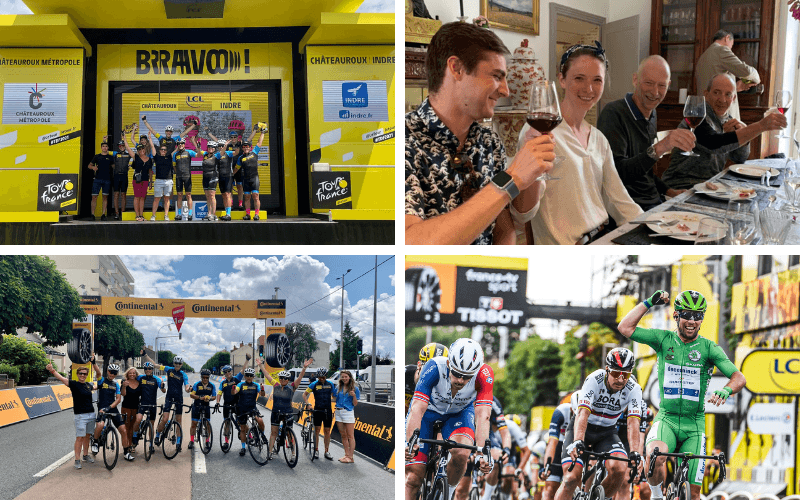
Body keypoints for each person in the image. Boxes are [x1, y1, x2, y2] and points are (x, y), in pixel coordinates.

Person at [405, 22, 555, 245]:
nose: (506, 90)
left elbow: (504, 227)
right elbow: (410, 241)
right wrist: (511, 179)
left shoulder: (489, 141)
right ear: (456, 68)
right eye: (497, 76)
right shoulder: (402, 142)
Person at [617, 290, 747, 500]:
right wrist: (650, 302)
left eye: (697, 316)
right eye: (687, 314)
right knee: (654, 456)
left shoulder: (709, 348)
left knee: (694, 494)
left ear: (702, 319)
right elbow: (625, 327)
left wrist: (725, 389)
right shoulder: (662, 339)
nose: (692, 321)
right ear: (676, 315)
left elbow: (738, 377)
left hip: (694, 425)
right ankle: (658, 495)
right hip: (666, 418)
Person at [522, 42, 643, 244]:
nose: (589, 88)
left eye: (597, 80)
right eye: (579, 78)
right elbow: (524, 211)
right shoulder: (538, 133)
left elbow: (619, 200)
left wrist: (649, 226)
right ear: (561, 79)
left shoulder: (599, 139)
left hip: (603, 238)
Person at [596, 55, 696, 211]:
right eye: (649, 83)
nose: (655, 92)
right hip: (631, 209)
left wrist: (669, 191)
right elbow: (617, 174)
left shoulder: (652, 114)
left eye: (661, 85)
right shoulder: (613, 113)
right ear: (635, 80)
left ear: (668, 85)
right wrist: (660, 147)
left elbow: (644, 171)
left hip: (656, 202)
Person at [661, 73, 788, 190]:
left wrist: (742, 134)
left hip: (709, 185)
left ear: (733, 98)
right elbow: (713, 144)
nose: (722, 100)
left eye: (728, 94)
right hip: (680, 185)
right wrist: (760, 126)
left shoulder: (729, 120)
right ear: (706, 94)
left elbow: (739, 158)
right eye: (717, 92)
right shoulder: (697, 116)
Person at [405, 338, 495, 500]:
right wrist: (411, 441)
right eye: (457, 374)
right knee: (413, 478)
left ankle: (447, 494)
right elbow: (417, 408)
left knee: (462, 453)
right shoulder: (434, 366)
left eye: (467, 377)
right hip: (428, 412)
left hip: (459, 413)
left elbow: (483, 415)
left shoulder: (484, 374)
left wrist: (483, 452)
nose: (460, 380)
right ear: (448, 364)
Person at [555, 348, 643, 500]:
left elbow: (633, 421)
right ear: (607, 370)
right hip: (584, 428)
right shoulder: (594, 379)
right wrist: (578, 441)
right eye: (616, 373)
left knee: (620, 469)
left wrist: (635, 452)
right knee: (571, 479)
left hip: (607, 433)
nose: (621, 379)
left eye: (626, 375)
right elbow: (583, 413)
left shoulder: (634, 388)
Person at [696, 30, 760, 121]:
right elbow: (746, 72)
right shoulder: (721, 50)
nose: (731, 49)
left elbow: (713, 86)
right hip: (722, 116)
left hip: (705, 114)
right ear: (727, 38)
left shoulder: (702, 57)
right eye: (732, 45)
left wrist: (736, 88)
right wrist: (757, 77)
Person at [256, 357, 312, 457]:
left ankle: (293, 453)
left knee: (290, 434)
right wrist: (260, 365)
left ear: (288, 380)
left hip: (288, 413)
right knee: (274, 433)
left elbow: (299, 378)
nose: (283, 380)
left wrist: (304, 368)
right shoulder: (276, 385)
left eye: (285, 378)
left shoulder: (292, 387)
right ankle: (270, 452)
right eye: (281, 378)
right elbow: (267, 375)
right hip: (276, 412)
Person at [46, 361, 96, 469]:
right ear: (77, 374)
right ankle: (77, 460)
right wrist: (52, 370)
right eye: (81, 373)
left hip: (91, 414)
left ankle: (85, 455)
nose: (83, 375)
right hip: (80, 416)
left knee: (88, 436)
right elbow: (61, 378)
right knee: (80, 438)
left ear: (87, 375)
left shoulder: (89, 385)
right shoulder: (74, 384)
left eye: (85, 374)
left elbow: (100, 385)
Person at [140, 351, 191, 452]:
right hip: (169, 397)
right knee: (164, 419)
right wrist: (145, 355)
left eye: (179, 364)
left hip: (179, 398)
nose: (177, 365)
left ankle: (178, 442)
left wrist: (189, 389)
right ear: (174, 364)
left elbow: (186, 386)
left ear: (181, 365)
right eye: (176, 364)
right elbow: (155, 365)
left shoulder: (183, 374)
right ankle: (158, 435)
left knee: (178, 421)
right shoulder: (168, 369)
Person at [612, 385, 652, 500]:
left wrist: (637, 460)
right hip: (611, 435)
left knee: (625, 481)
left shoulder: (641, 405)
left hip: (629, 439)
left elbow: (640, 435)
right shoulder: (614, 399)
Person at [89, 361, 134, 462]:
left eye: (114, 373)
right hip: (102, 407)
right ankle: (95, 442)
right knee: (100, 425)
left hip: (112, 408)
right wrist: (93, 362)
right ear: (107, 371)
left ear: (116, 374)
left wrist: (109, 408)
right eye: (110, 372)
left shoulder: (116, 384)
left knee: (123, 430)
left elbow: (118, 399)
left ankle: (126, 452)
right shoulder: (101, 381)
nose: (112, 374)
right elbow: (98, 372)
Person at [540, 396, 573, 500]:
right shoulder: (561, 411)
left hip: (575, 445)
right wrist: (547, 466)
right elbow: (552, 443)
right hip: (559, 444)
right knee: (550, 488)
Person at [233, 124, 267, 220]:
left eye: (247, 146)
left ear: (250, 147)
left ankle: (257, 214)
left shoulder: (254, 152)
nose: (246, 148)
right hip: (245, 179)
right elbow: (237, 168)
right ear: (242, 148)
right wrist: (231, 175)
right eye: (244, 147)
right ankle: (248, 214)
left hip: (254, 178)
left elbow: (259, 143)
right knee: (247, 197)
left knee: (255, 196)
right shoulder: (241, 158)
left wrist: (263, 133)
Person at [405, 342, 449, 415]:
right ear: (419, 365)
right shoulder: (405, 374)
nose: (432, 374)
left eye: (439, 371)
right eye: (428, 368)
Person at [232, 367, 267, 456]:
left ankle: (262, 435)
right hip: (242, 408)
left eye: (251, 376)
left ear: (253, 376)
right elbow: (235, 392)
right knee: (243, 429)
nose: (249, 377)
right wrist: (233, 389)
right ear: (244, 376)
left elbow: (262, 395)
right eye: (247, 375)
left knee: (260, 421)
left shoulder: (256, 385)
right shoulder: (240, 384)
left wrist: (262, 389)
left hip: (252, 408)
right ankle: (243, 447)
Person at [131, 361, 165, 452]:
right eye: (146, 369)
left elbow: (163, 391)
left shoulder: (156, 379)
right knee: (138, 419)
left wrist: (162, 386)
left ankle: (151, 444)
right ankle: (134, 437)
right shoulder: (140, 378)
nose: (147, 370)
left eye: (149, 369)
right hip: (142, 404)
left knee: (151, 425)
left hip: (153, 405)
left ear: (152, 370)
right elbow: (132, 379)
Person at [303, 367, 336, 460]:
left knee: (327, 432)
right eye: (320, 377)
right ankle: (316, 450)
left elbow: (334, 396)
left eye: (323, 377)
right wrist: (308, 404)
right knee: (317, 431)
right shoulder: (314, 384)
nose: (321, 379)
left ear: (326, 376)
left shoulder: (330, 384)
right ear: (317, 377)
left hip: (327, 410)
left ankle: (326, 451)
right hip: (317, 410)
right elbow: (304, 394)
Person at [214, 360, 248, 449]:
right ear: (224, 374)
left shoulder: (236, 379)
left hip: (237, 404)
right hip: (227, 404)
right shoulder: (223, 383)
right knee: (227, 423)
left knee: (241, 423)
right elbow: (219, 393)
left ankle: (250, 435)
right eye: (226, 372)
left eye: (229, 371)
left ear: (231, 371)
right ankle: (226, 442)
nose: (228, 373)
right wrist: (217, 402)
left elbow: (243, 370)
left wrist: (247, 360)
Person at [123, 131, 154, 222]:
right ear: (138, 151)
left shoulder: (149, 160)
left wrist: (151, 182)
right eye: (139, 150)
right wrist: (125, 138)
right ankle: (137, 216)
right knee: (137, 196)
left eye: (142, 149)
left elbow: (150, 171)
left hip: (145, 180)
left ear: (145, 150)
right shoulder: (135, 157)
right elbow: (128, 148)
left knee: (142, 197)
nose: (141, 151)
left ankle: (141, 215)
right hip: (136, 179)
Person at [333, 369, 360, 463]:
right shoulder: (338, 387)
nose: (344, 378)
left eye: (346, 376)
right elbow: (334, 398)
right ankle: (346, 455)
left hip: (348, 412)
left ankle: (351, 457)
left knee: (350, 436)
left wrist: (353, 396)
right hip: (338, 412)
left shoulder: (355, 388)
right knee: (343, 435)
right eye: (343, 377)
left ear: (349, 377)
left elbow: (355, 404)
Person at [188, 369, 216, 450]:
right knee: (194, 423)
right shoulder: (197, 384)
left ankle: (207, 441)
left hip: (206, 406)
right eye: (203, 377)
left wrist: (209, 399)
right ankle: (192, 441)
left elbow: (214, 397)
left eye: (207, 378)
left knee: (207, 425)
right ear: (201, 377)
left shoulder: (212, 386)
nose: (205, 379)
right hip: (197, 406)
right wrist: (200, 397)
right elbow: (191, 395)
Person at [87, 142, 115, 221]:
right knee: (94, 197)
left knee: (105, 197)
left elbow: (114, 167)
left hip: (107, 179)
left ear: (108, 148)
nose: (105, 148)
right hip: (97, 179)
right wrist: (93, 168)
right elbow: (89, 165)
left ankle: (103, 214)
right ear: (101, 148)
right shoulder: (97, 156)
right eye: (103, 146)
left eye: (106, 146)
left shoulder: (110, 157)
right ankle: (92, 214)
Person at [172, 138, 198, 220]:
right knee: (179, 195)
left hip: (187, 177)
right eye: (179, 144)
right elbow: (174, 166)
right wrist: (178, 173)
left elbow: (198, 155)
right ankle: (179, 214)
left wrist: (198, 147)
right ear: (177, 145)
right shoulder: (175, 155)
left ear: (184, 144)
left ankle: (190, 214)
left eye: (182, 143)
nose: (180, 145)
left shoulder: (189, 152)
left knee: (188, 195)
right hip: (179, 177)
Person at [194, 138, 220, 220]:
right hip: (205, 177)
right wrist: (197, 145)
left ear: (215, 148)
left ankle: (213, 214)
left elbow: (223, 152)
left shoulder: (217, 156)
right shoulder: (205, 154)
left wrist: (225, 145)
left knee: (212, 195)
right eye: (209, 147)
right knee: (208, 196)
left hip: (213, 176)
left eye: (212, 147)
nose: (210, 149)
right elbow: (199, 150)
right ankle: (209, 213)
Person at [149, 140, 175, 221]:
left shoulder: (170, 157)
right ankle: (153, 215)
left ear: (166, 151)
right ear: (159, 151)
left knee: (167, 198)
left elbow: (176, 149)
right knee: (157, 198)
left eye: (164, 150)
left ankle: (166, 215)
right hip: (159, 181)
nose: (163, 151)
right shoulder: (157, 157)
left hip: (168, 181)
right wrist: (150, 138)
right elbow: (152, 146)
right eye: (162, 149)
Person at [120, 366, 142, 458]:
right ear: (127, 374)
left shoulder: (139, 383)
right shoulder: (125, 382)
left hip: (136, 408)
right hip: (126, 408)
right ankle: (127, 446)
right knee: (127, 428)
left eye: (133, 373)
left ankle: (132, 444)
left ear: (136, 374)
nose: (132, 374)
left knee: (133, 427)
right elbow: (123, 394)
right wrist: (124, 386)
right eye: (130, 373)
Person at [111, 139, 132, 220]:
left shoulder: (128, 154)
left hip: (124, 176)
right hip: (116, 176)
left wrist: (129, 166)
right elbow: (106, 152)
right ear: (118, 147)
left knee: (123, 195)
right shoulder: (115, 154)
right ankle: (116, 213)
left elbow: (135, 156)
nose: (122, 147)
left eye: (123, 145)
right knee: (116, 195)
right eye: (120, 146)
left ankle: (123, 213)